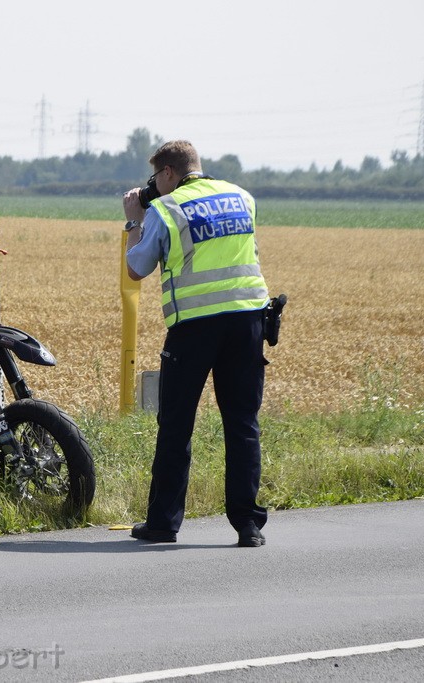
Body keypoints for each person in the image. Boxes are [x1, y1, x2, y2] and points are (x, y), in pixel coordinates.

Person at [122, 140, 269, 547]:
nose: (154, 186)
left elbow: (137, 268)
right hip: (248, 322)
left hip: (195, 325)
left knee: (176, 424)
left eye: (156, 178)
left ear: (168, 173)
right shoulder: (241, 197)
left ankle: (163, 525)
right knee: (242, 425)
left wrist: (134, 220)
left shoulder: (167, 209)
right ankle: (249, 526)